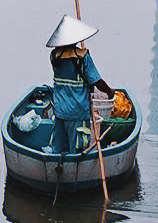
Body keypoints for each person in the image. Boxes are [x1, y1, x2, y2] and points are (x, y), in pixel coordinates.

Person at [46, 14, 114, 156]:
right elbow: (97, 81)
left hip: (60, 111)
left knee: (58, 150)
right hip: (77, 112)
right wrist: (110, 92)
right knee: (76, 151)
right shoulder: (82, 57)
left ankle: (56, 173)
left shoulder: (54, 56)